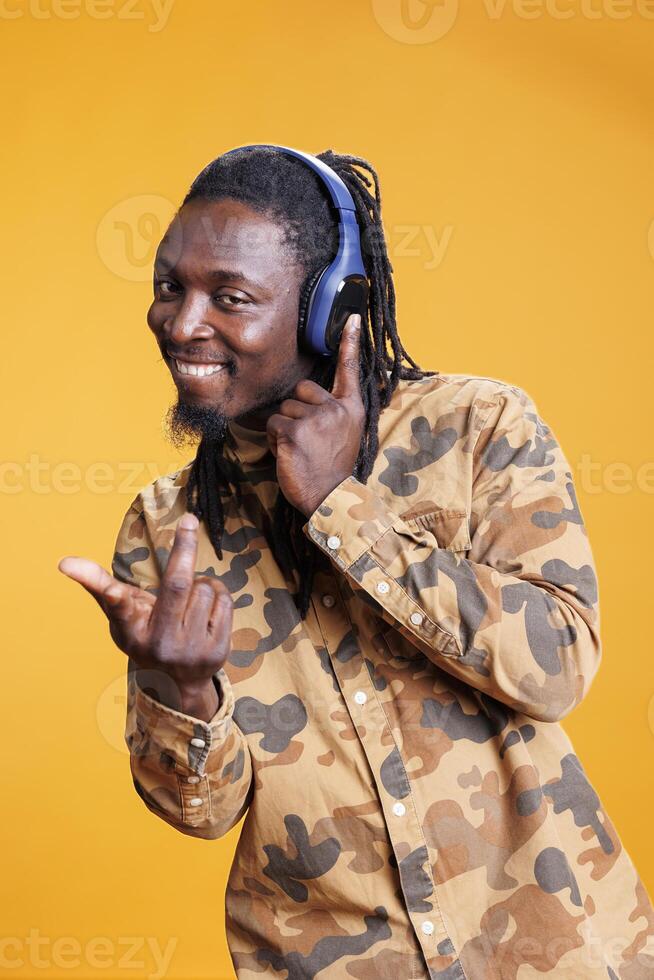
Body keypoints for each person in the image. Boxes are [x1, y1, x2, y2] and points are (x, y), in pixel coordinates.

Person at [58, 146, 654, 979]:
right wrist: (180, 692)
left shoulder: (476, 427)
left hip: (562, 953)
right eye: (169, 286)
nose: (182, 323)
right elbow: (204, 811)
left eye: (230, 297)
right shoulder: (171, 528)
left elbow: (555, 665)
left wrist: (343, 507)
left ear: (326, 305)